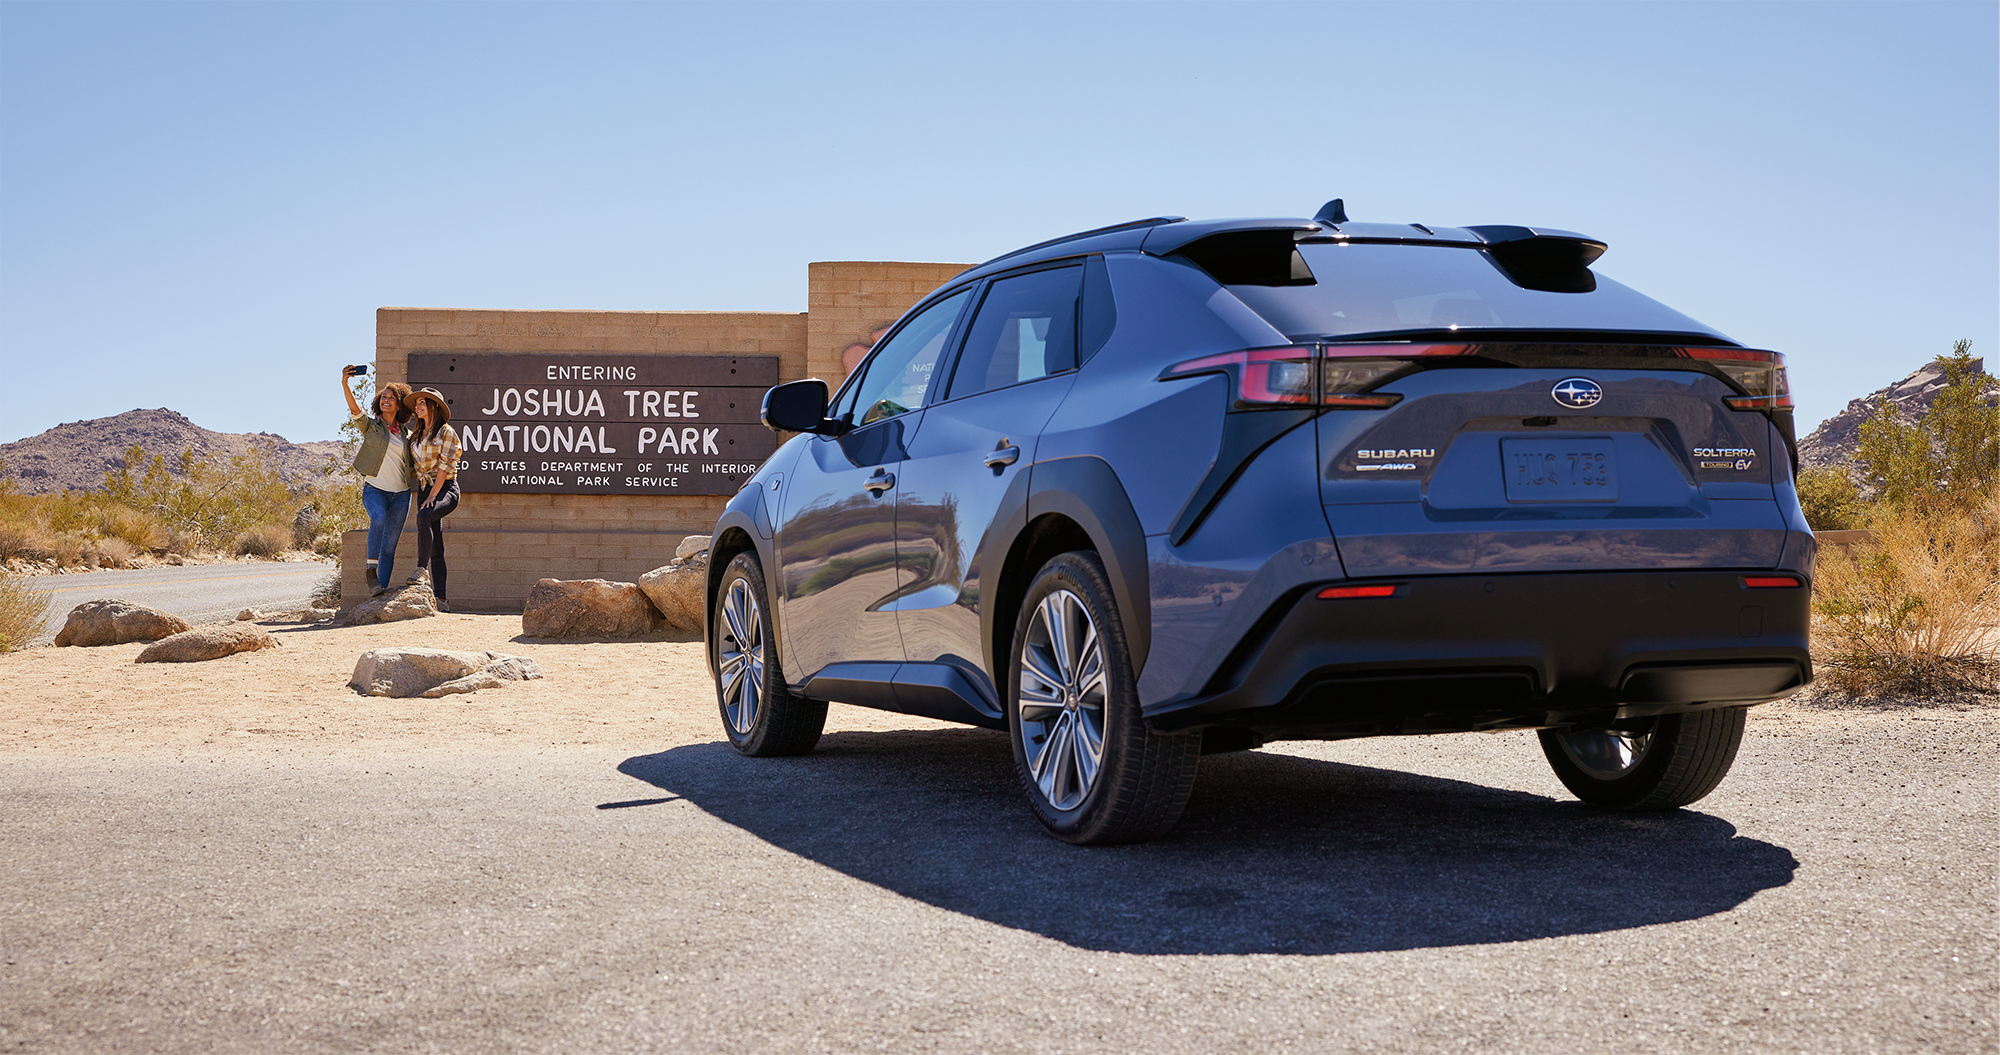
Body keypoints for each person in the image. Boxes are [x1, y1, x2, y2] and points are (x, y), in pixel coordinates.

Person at [340, 367, 416, 594]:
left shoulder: (407, 436)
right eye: (384, 396)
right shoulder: (371, 427)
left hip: (401, 495)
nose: (386, 399)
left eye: (392, 398)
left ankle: (379, 590)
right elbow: (355, 410)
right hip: (375, 490)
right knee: (379, 518)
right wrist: (345, 384)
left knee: (390, 547)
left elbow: (412, 467)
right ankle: (370, 572)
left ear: (399, 404)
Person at [403, 387, 462, 611]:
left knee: (424, 516)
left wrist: (434, 496)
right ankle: (441, 599)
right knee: (436, 547)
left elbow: (446, 467)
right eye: (416, 404)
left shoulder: (446, 432)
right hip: (426, 489)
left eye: (422, 403)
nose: (417, 407)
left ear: (434, 406)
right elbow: (413, 466)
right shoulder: (416, 435)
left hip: (445, 489)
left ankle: (420, 570)